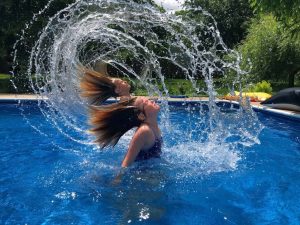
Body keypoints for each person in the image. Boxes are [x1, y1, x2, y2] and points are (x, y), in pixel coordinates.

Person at [80, 67, 162, 167]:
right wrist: (117, 180)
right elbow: (125, 164)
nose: (151, 100)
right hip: (142, 175)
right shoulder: (144, 131)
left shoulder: (149, 124)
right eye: (146, 102)